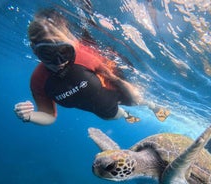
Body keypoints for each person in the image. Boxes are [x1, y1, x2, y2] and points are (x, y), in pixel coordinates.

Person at [14, 8, 170, 125]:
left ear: (73, 44)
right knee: (114, 116)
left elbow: (114, 77)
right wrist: (29, 116)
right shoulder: (38, 81)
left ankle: (153, 106)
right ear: (35, 51)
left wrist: (134, 94)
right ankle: (126, 115)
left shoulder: (85, 57)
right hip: (103, 111)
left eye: (64, 51)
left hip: (113, 91)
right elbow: (48, 116)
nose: (59, 61)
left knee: (137, 100)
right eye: (48, 53)